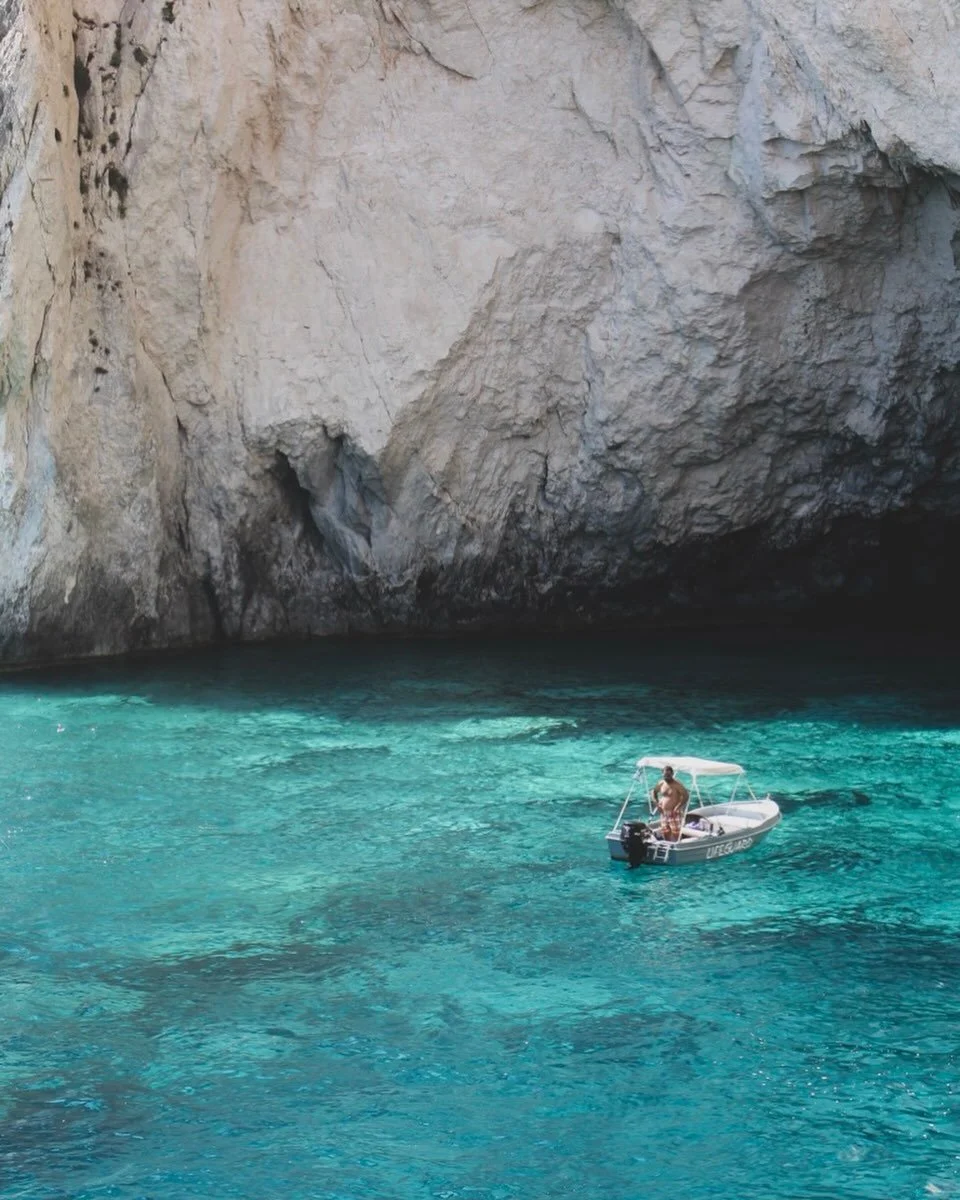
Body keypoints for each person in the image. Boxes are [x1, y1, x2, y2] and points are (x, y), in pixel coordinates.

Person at [651, 764, 689, 841]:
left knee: (676, 832)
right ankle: (667, 845)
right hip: (664, 812)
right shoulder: (661, 783)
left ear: (672, 774)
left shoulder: (677, 784)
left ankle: (678, 845)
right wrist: (657, 804)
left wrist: (677, 807)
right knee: (665, 831)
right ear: (662, 774)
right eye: (665, 775)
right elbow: (653, 792)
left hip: (674, 812)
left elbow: (686, 795)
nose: (667, 776)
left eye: (669, 774)